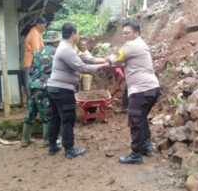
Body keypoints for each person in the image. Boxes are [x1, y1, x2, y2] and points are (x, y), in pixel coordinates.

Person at [46, 22, 109, 159]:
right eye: (78, 33)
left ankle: (52, 146)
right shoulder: (66, 49)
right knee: (67, 118)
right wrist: (104, 65)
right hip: (62, 90)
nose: (78, 35)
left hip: (54, 88)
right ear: (74, 34)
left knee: (55, 117)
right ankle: (69, 150)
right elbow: (82, 67)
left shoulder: (66, 47)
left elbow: (85, 58)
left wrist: (103, 60)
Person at [110, 21, 161, 164]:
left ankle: (136, 154)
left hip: (141, 90)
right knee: (142, 118)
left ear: (137, 33)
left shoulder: (131, 45)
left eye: (128, 32)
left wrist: (108, 59)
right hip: (151, 88)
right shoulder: (141, 44)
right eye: (123, 33)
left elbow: (116, 60)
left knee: (135, 121)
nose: (124, 35)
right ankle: (146, 146)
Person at [21, 31, 60, 148]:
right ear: (55, 41)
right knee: (47, 113)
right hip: (44, 86)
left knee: (30, 112)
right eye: (58, 41)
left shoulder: (37, 52)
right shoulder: (55, 53)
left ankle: (25, 140)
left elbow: (32, 69)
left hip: (33, 85)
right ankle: (47, 140)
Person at [23, 16, 47, 95]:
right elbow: (37, 52)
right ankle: (30, 100)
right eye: (43, 26)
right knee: (30, 83)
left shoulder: (35, 32)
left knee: (29, 82)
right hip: (32, 62)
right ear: (38, 25)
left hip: (30, 61)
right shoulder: (35, 33)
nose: (44, 28)